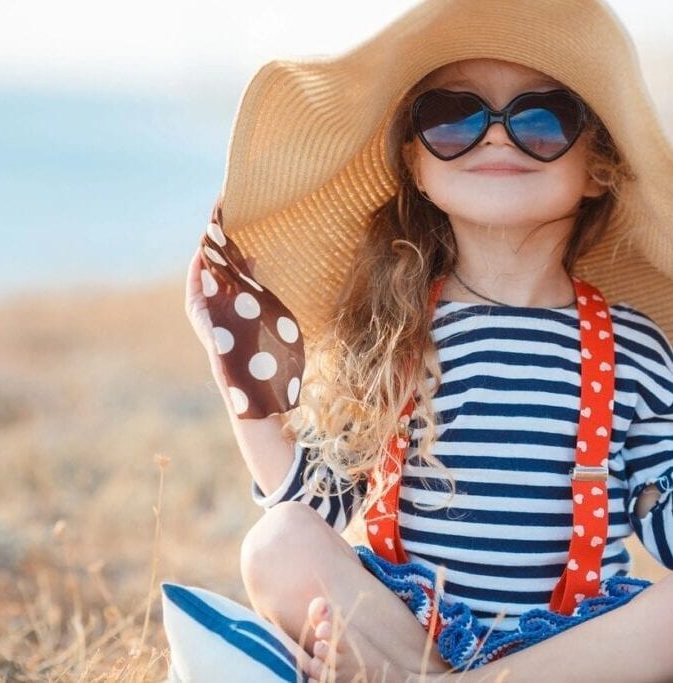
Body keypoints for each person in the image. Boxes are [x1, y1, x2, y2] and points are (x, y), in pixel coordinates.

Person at [180, 0, 673, 680]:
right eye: (452, 117)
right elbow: (317, 503)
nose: (496, 138)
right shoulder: (391, 328)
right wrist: (234, 362)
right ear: (415, 163)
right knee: (278, 542)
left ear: (595, 168)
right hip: (409, 633)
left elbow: (662, 516)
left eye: (542, 119)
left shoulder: (634, 349)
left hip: (568, 652)